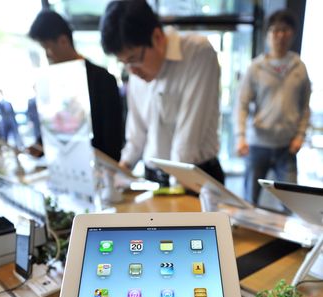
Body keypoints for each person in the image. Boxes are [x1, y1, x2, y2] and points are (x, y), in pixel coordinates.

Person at [100, 0, 224, 186]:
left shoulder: (198, 53)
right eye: (124, 62)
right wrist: (120, 173)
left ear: (157, 37)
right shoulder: (136, 72)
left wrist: (174, 189)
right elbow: (137, 133)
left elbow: (188, 138)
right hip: (154, 179)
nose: (132, 70)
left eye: (134, 59)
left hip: (195, 177)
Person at [235, 9, 311, 205]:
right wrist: (240, 136)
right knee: (249, 201)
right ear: (268, 34)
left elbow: (305, 106)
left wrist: (300, 135)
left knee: (292, 203)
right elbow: (242, 104)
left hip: (287, 146)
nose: (280, 35)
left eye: (285, 30)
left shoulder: (299, 67)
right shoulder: (256, 67)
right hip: (257, 144)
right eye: (275, 30)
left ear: (292, 33)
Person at [29, 9, 123, 161]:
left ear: (63, 41)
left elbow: (112, 139)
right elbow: (54, 125)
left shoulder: (102, 79)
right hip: (63, 167)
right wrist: (40, 146)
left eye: (47, 47)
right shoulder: (53, 82)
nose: (47, 55)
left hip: (98, 170)